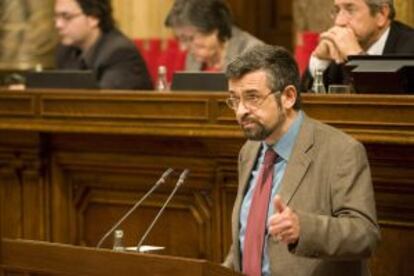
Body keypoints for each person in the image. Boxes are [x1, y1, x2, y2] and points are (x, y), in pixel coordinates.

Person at [223, 44, 380, 276]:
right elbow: (249, 235)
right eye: (235, 100)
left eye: (252, 98)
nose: (240, 111)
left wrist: (304, 229)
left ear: (288, 97)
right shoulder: (249, 151)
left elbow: (365, 235)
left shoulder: (340, 151)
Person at [304, 0, 414, 90]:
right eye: (337, 10)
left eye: (350, 10)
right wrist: (320, 61)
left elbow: (393, 104)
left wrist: (356, 57)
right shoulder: (337, 48)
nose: (339, 21)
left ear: (382, 14)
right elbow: (297, 107)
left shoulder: (409, 47)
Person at [54, 0, 153, 90]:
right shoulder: (65, 52)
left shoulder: (120, 54)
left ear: (94, 18)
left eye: (66, 17)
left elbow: (102, 104)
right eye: (56, 16)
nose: (58, 25)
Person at [164, 0, 263, 72]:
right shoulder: (194, 57)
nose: (183, 47)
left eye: (189, 38)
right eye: (180, 39)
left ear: (214, 29)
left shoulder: (253, 53)